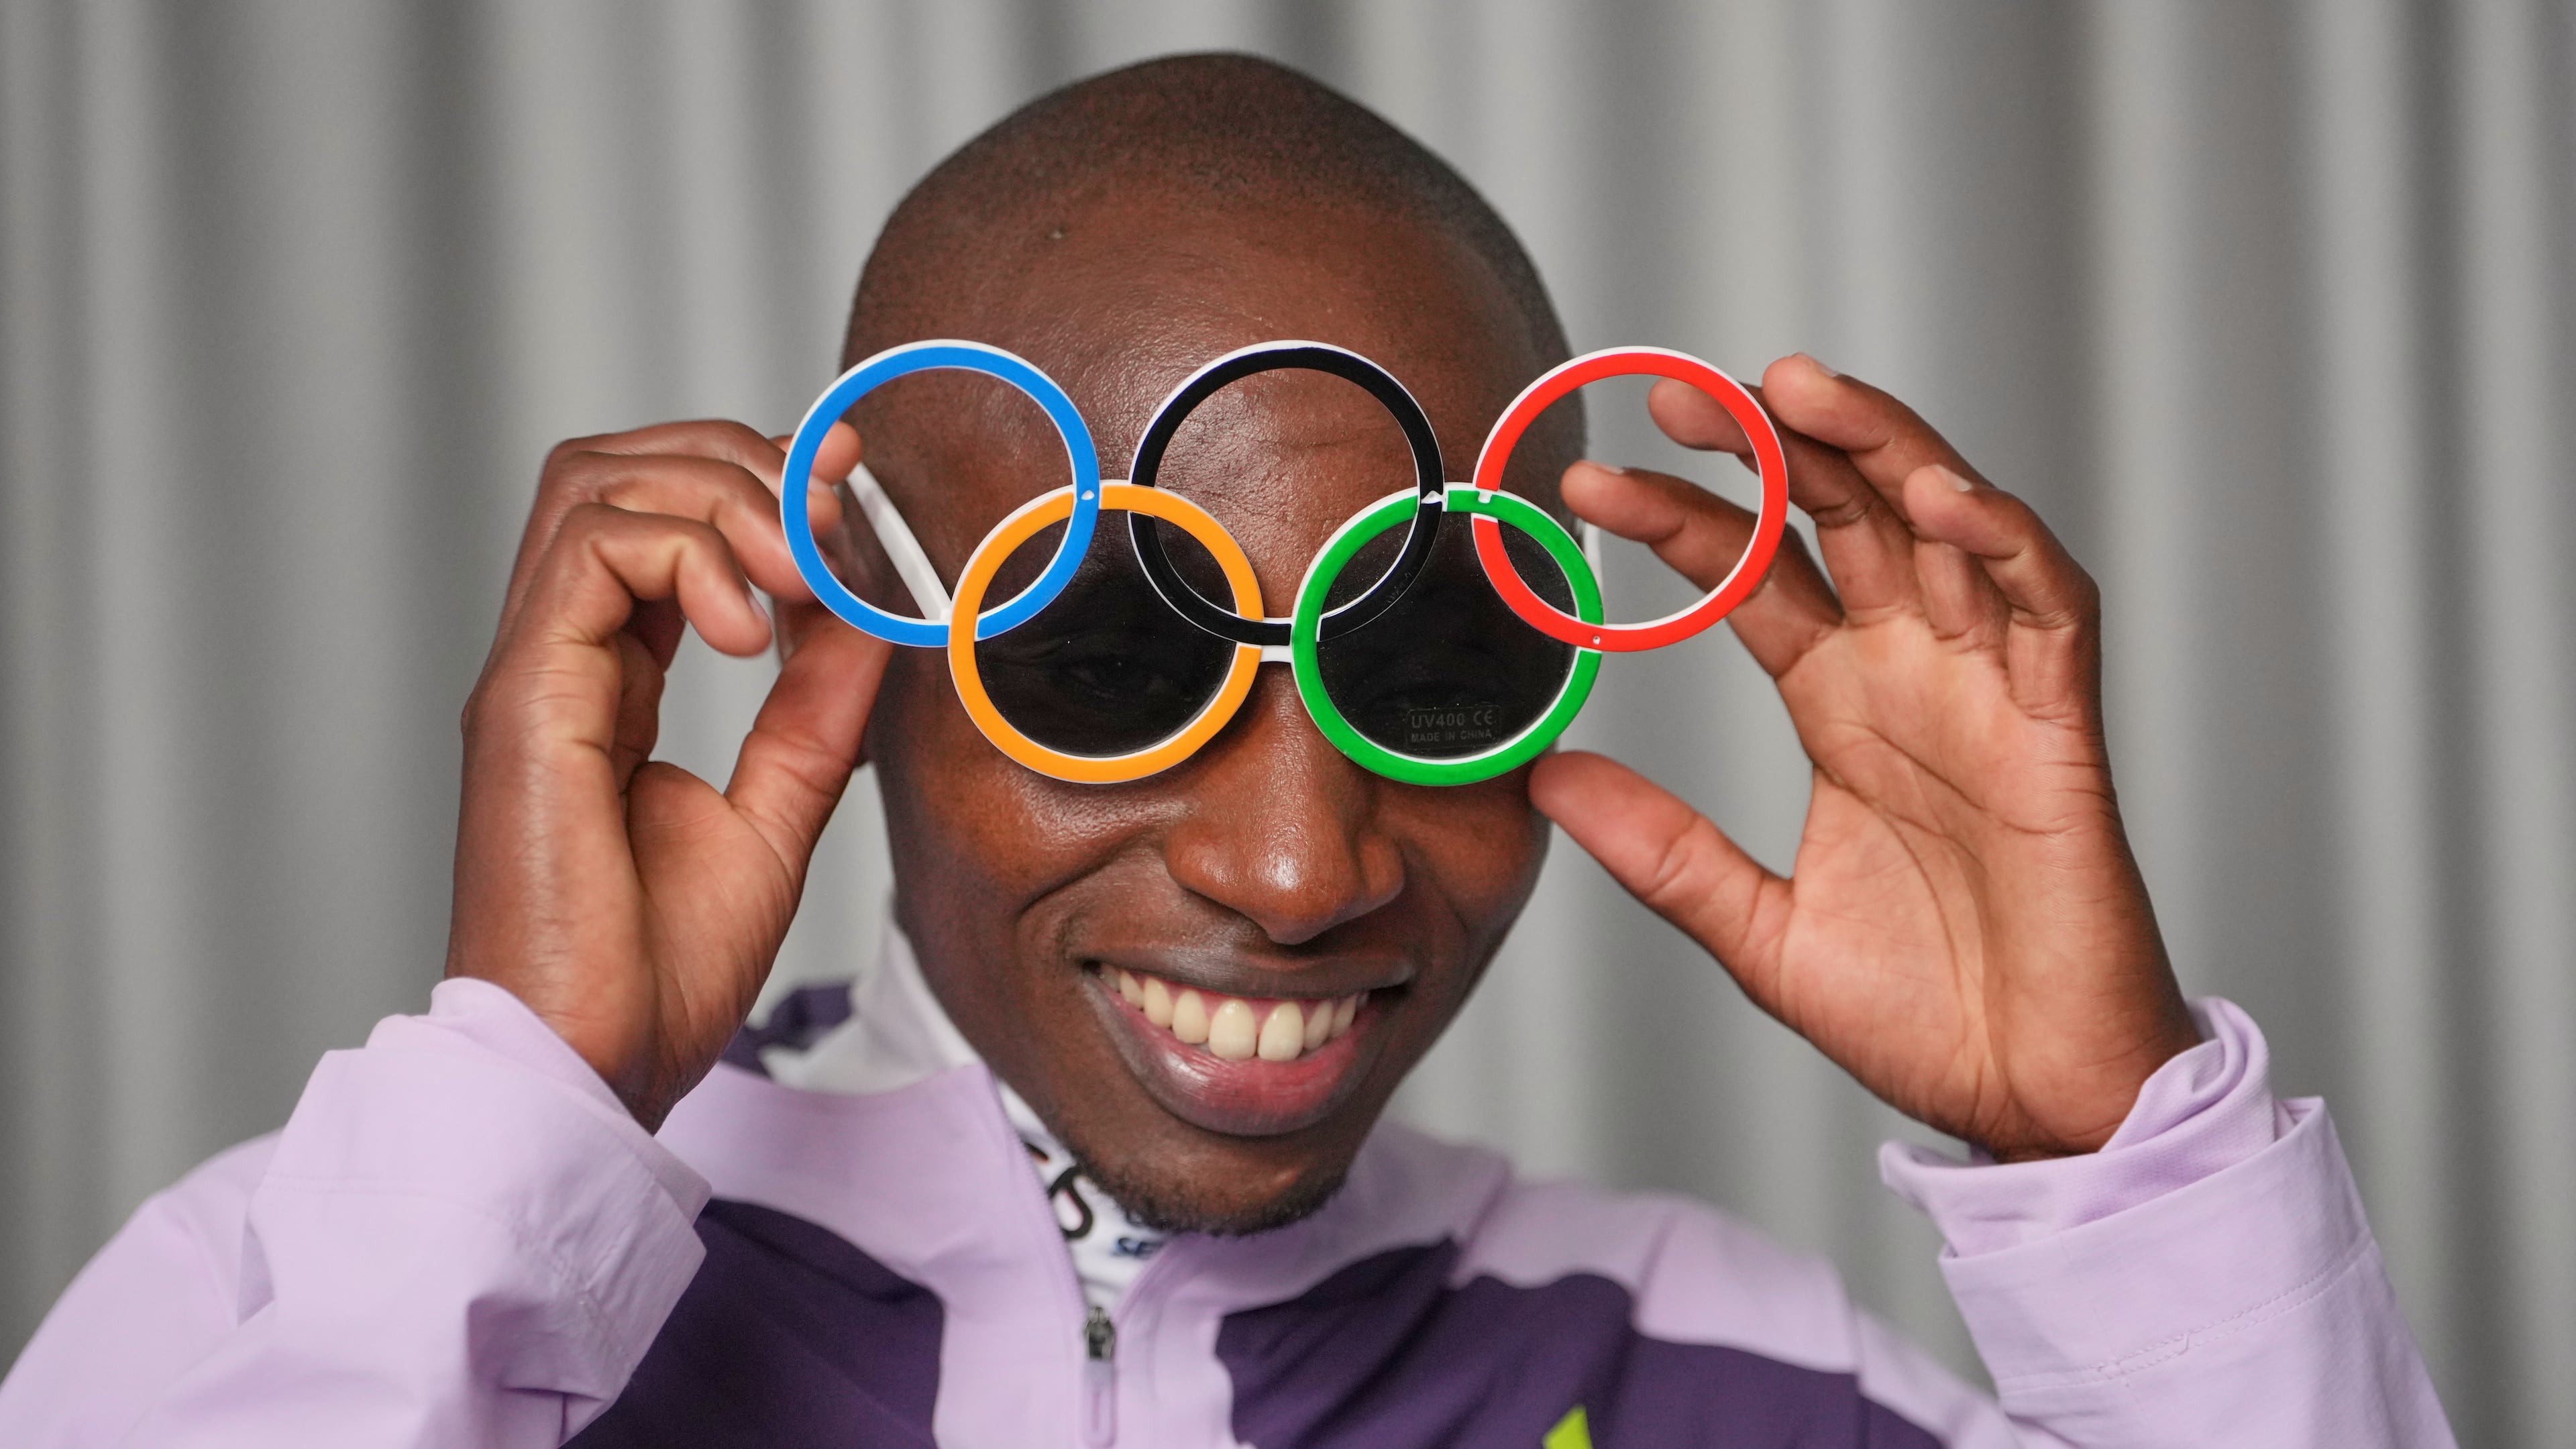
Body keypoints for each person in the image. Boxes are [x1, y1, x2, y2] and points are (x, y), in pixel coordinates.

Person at [0, 53, 2451, 1448]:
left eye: (1430, 666)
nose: (1300, 869)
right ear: (852, 640)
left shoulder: (1736, 1379)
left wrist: (2127, 1176)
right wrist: (519, 1113)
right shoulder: (309, 1303)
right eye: (1103, 661)